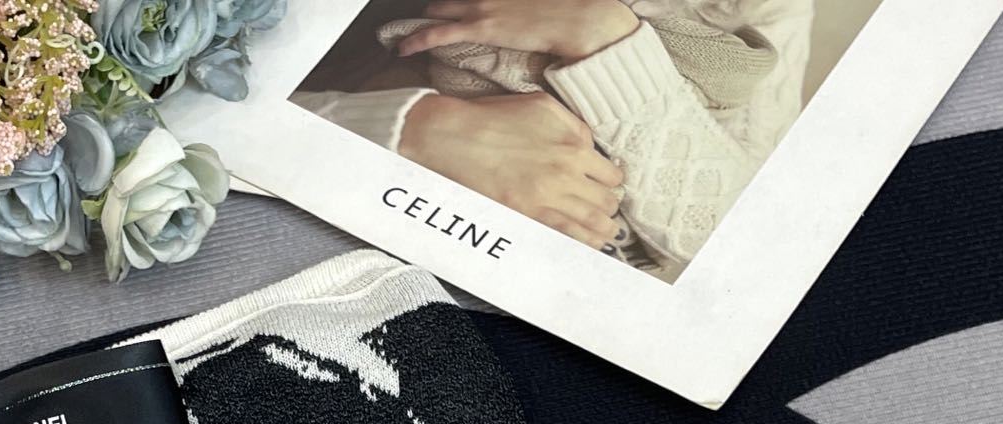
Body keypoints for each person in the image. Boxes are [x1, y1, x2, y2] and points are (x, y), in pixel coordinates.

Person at [297, 0, 815, 274]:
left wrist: (607, 37)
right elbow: (249, 121)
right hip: (318, 222)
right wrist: (418, 127)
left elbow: (739, 249)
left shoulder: (770, 10)